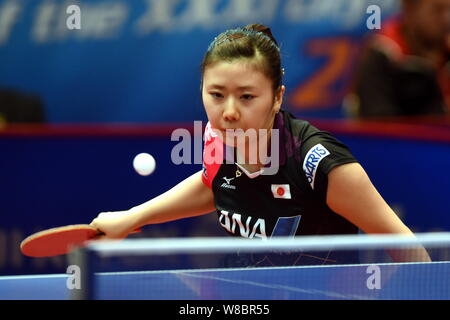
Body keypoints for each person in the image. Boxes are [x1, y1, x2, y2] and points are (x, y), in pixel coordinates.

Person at [90, 24, 429, 266]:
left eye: (247, 96)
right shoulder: (217, 137)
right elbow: (214, 183)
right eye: (216, 95)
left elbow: (403, 244)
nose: (230, 112)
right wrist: (134, 217)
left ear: (277, 97)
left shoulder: (317, 164)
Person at [347, 0, 450, 118]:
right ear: (410, 9)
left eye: (449, 10)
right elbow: (380, 127)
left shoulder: (446, 54)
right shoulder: (382, 56)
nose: (446, 19)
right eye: (438, 10)